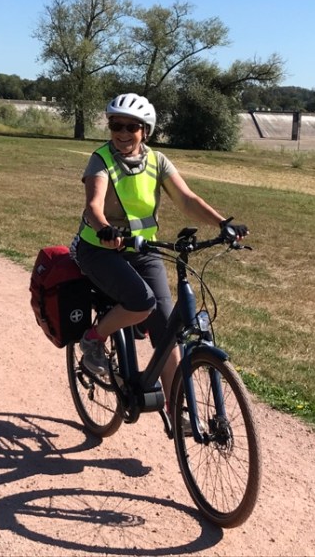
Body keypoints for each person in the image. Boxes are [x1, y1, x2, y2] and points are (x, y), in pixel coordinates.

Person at [72, 93, 247, 407]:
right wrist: (105, 229)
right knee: (142, 302)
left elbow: (187, 200)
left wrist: (222, 224)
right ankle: (93, 339)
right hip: (100, 250)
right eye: (116, 125)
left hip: (144, 249)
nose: (123, 133)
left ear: (145, 131)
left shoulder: (157, 160)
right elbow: (93, 206)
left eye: (131, 127)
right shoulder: (101, 159)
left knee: (168, 333)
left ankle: (181, 413)